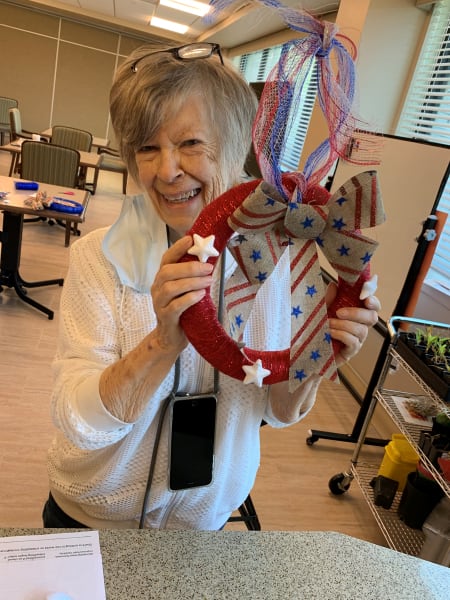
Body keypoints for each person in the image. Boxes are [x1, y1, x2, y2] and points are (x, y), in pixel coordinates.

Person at [43, 42, 381, 530]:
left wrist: (317, 356)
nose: (166, 171)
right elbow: (78, 421)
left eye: (190, 143)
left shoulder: (280, 258)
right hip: (92, 518)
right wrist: (162, 341)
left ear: (236, 141)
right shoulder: (100, 258)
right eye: (147, 147)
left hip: (204, 525)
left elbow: (278, 411)